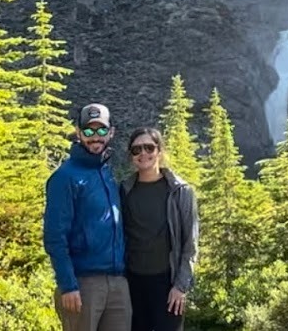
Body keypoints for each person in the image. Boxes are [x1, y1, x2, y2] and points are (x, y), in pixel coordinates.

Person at [43, 103, 130, 331]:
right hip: (82, 284)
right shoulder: (64, 177)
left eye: (101, 130)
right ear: (79, 132)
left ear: (111, 132)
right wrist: (68, 285)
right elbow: (55, 237)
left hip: (118, 282)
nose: (95, 137)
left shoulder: (107, 174)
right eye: (89, 130)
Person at [120, 127, 198, 331]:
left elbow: (190, 244)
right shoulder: (124, 191)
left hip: (168, 284)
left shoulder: (180, 191)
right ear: (131, 155)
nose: (143, 153)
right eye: (136, 149)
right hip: (132, 284)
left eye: (149, 148)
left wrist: (180, 286)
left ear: (159, 151)